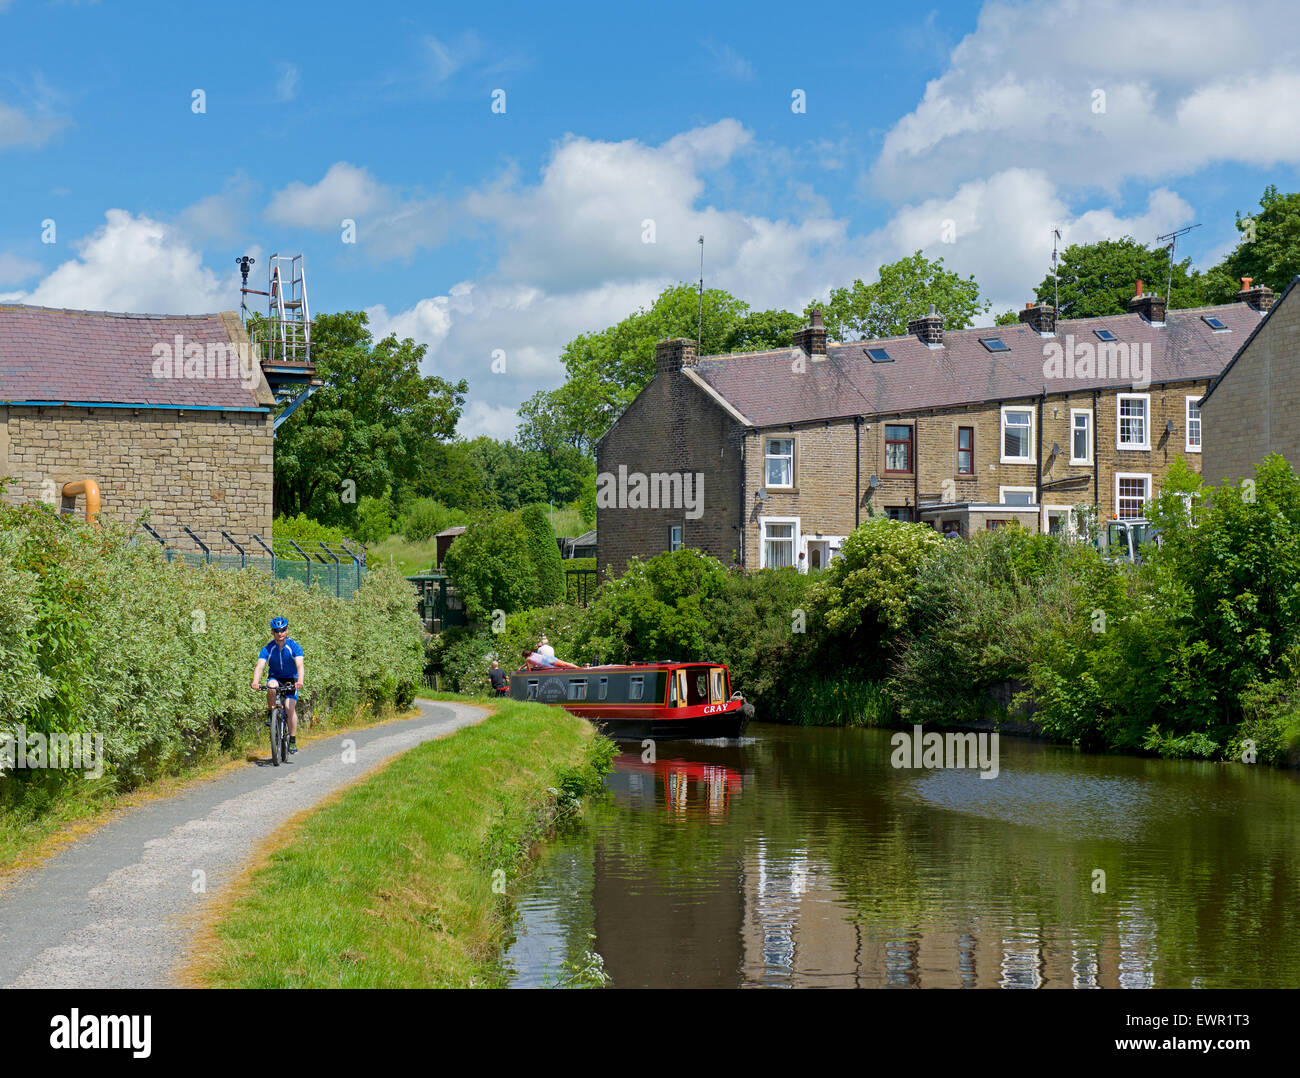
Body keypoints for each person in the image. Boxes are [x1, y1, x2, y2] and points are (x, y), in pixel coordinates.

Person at [252, 616, 305, 755]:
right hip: (275, 677)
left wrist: (300, 680)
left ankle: (292, 740)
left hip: (291, 679)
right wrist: (255, 681)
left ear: (287, 631)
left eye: (282, 630)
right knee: (271, 686)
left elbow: (300, 665)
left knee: (289, 707)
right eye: (276, 631)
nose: (279, 633)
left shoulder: (294, 647)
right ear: (272, 632)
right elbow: (260, 666)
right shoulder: (268, 648)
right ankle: (271, 713)